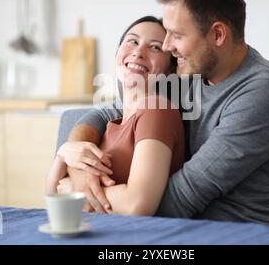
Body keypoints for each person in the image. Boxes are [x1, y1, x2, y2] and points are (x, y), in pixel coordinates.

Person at [56, 0, 269, 226]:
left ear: (217, 34)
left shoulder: (262, 92)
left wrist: (79, 193)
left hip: (258, 235)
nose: (168, 46)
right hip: (196, 228)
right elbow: (108, 111)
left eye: (177, 35)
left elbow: (178, 200)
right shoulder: (189, 75)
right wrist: (79, 160)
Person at [46, 16, 185, 216]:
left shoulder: (158, 109)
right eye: (132, 41)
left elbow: (137, 205)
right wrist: (64, 152)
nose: (138, 52)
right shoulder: (110, 124)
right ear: (117, 53)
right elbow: (53, 195)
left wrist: (78, 193)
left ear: (171, 69)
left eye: (155, 47)